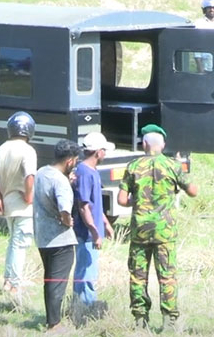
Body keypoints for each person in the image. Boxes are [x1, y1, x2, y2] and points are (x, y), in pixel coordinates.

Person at [118, 124, 198, 330]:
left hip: (140, 231)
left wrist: (138, 201)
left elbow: (121, 200)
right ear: (162, 145)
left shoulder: (133, 166)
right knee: (167, 276)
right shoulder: (173, 166)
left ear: (144, 144)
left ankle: (140, 319)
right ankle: (169, 320)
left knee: (138, 276)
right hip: (165, 232)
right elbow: (193, 191)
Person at [33, 140, 79, 332]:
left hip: (43, 235)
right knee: (58, 283)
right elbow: (64, 209)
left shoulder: (42, 172)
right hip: (61, 239)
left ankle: (50, 319)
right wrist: (67, 221)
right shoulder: (60, 181)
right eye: (75, 161)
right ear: (70, 161)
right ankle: (55, 324)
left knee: (50, 280)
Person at [72, 131, 115, 317]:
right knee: (87, 272)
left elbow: (95, 204)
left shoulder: (93, 171)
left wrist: (105, 223)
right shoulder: (84, 173)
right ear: (98, 152)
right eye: (104, 150)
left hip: (93, 230)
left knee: (87, 269)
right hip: (87, 234)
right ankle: (85, 309)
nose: (105, 153)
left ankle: (80, 306)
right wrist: (95, 232)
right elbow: (84, 207)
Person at [0, 111, 37, 293]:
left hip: (7, 202)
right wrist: (29, 196)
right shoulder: (27, 150)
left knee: (13, 242)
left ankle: (8, 279)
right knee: (20, 243)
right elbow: (29, 176)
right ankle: (14, 283)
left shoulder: (2, 148)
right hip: (22, 204)